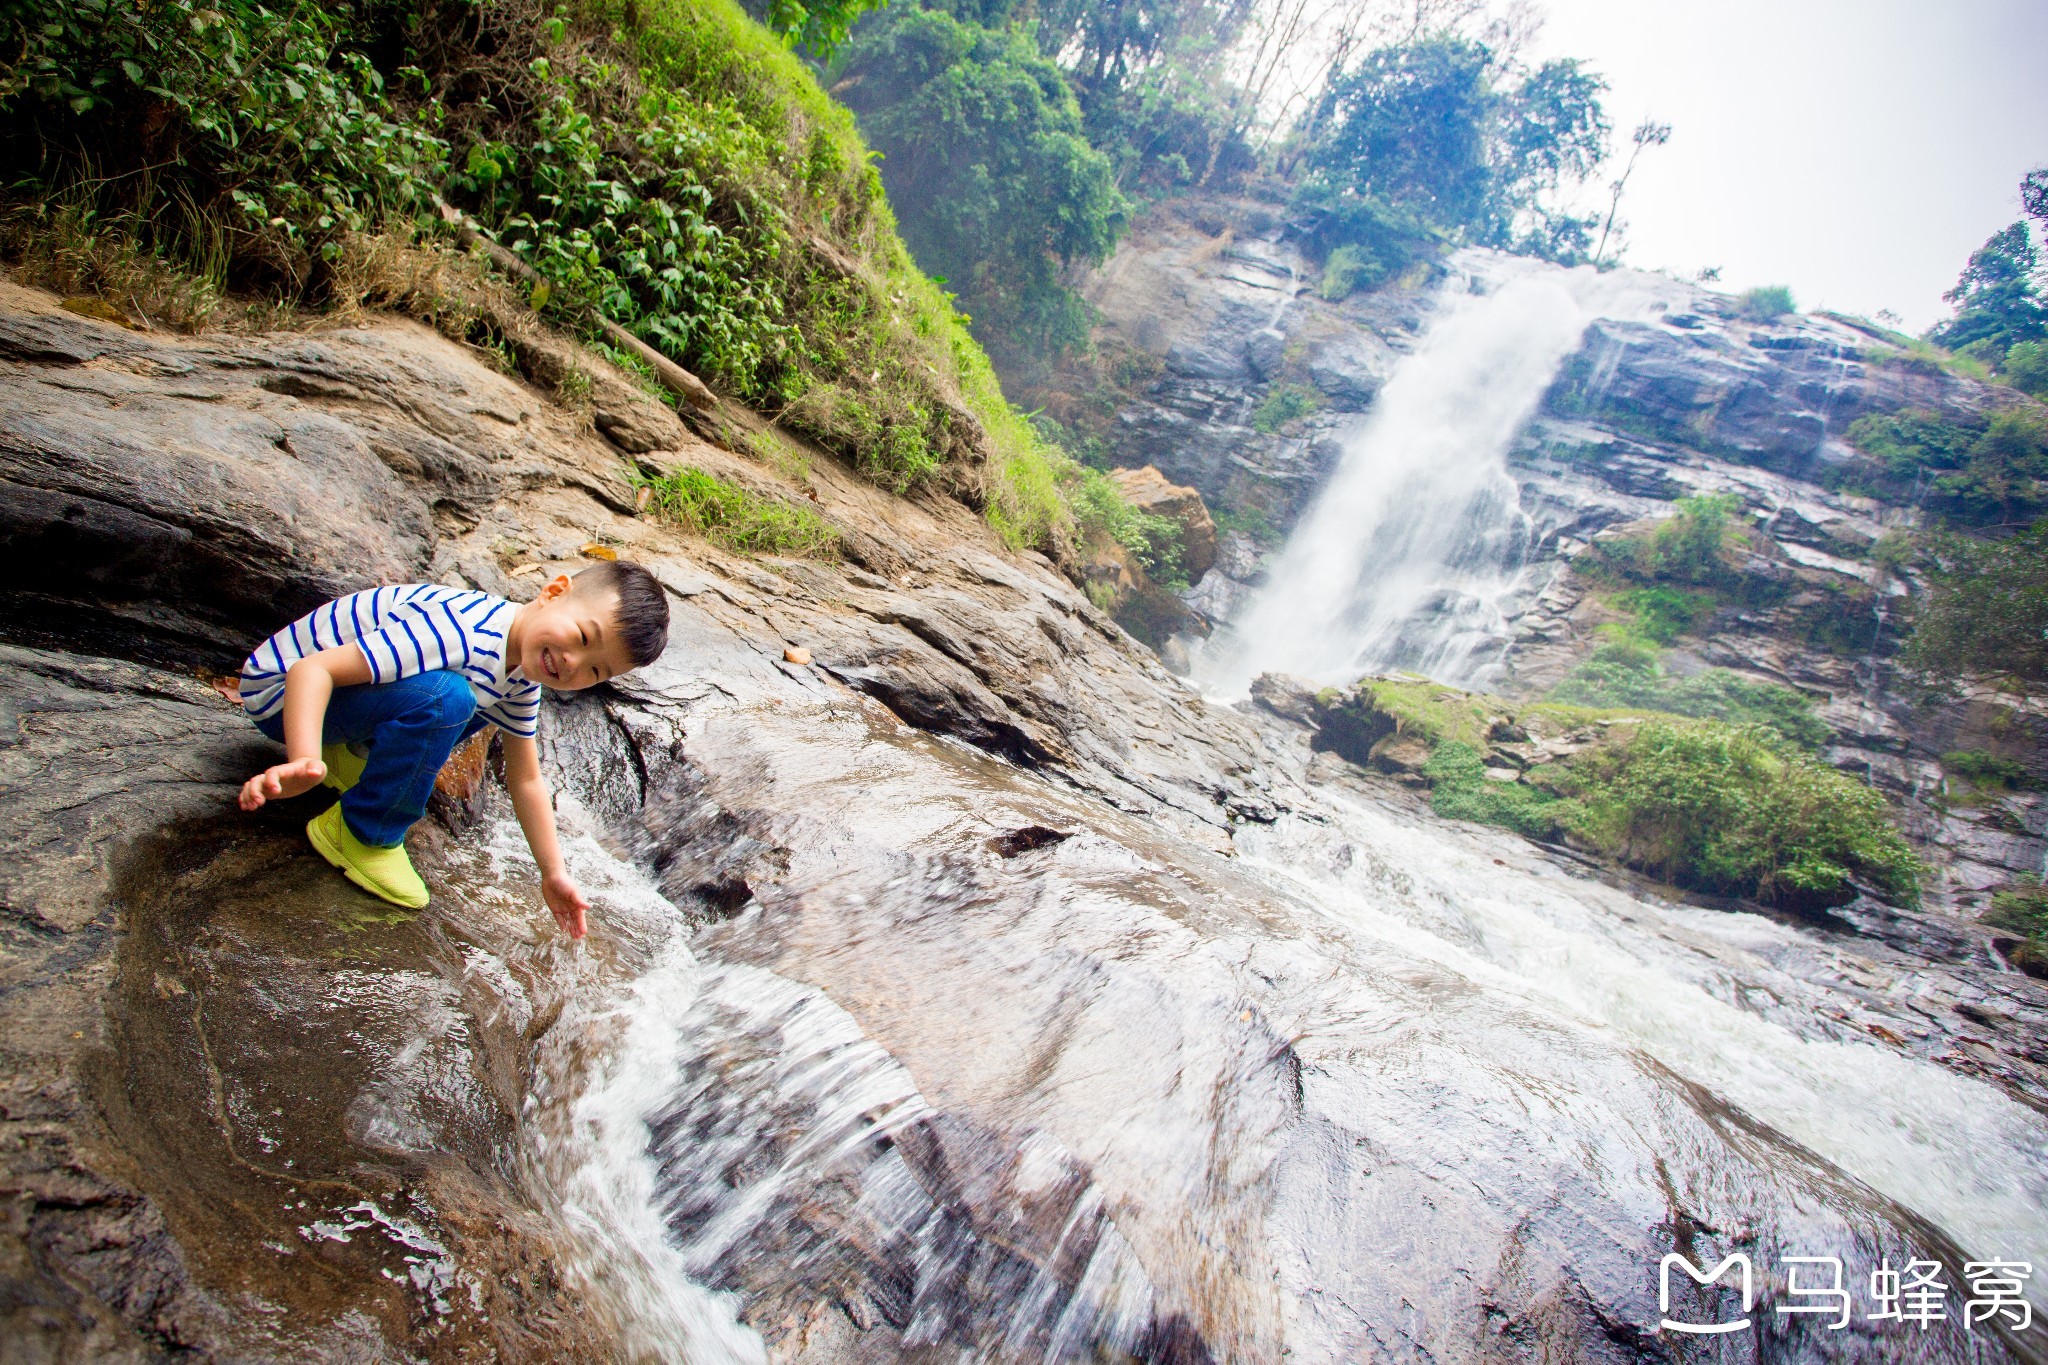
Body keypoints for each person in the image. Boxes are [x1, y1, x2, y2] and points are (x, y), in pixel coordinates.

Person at [230, 561, 670, 937]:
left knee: (472, 703)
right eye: (581, 635)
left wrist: (553, 873)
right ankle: (362, 832)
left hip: (339, 705)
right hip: (282, 696)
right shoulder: (459, 633)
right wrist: (303, 759)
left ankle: (353, 757)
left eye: (594, 669)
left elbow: (526, 778)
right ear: (553, 592)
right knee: (449, 699)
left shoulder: (522, 667)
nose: (572, 662)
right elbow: (311, 670)